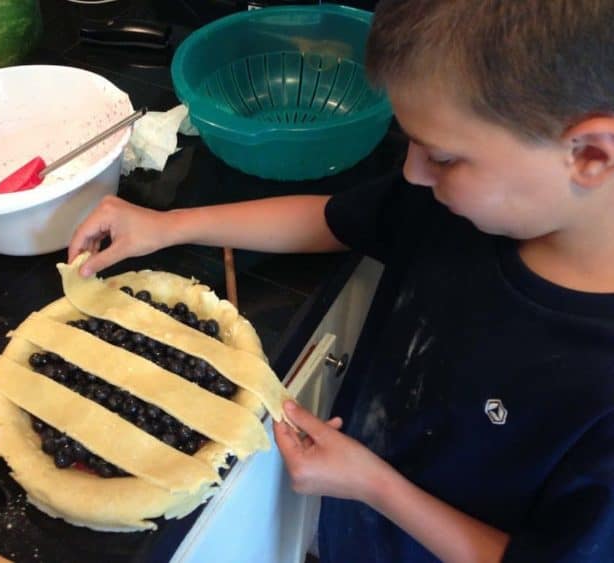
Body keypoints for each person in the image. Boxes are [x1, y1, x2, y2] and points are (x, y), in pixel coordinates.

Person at [68, 1, 614, 561]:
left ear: (591, 155)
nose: (411, 173)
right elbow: (334, 219)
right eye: (411, 143)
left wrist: (375, 486)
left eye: (445, 157)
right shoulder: (452, 204)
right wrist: (168, 225)